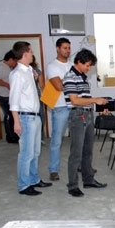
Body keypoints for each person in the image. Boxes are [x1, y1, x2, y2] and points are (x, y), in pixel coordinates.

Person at [63, 49, 109, 197]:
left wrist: (96, 105)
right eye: (88, 65)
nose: (89, 68)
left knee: (88, 151)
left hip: (88, 115)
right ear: (79, 62)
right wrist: (95, 100)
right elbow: (75, 100)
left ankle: (88, 180)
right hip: (77, 116)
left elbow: (84, 98)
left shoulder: (83, 77)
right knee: (76, 153)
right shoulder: (70, 77)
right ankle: (72, 186)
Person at [9, 41, 52, 196]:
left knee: (35, 152)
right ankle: (24, 185)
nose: (33, 54)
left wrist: (35, 76)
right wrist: (16, 121)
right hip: (25, 118)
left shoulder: (29, 71)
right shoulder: (17, 74)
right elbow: (13, 101)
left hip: (35, 116)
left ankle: (34, 180)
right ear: (25, 53)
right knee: (26, 154)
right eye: (31, 51)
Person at [45, 38, 72, 181]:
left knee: (78, 139)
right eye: (65, 48)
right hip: (60, 107)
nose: (67, 51)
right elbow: (58, 86)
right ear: (57, 49)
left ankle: (79, 165)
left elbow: (79, 85)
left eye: (69, 48)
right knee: (56, 140)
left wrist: (65, 80)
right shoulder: (52, 66)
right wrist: (71, 82)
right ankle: (53, 169)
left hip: (75, 106)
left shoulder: (73, 65)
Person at [0, 50, 19, 143]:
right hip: (3, 96)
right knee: (8, 115)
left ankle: (14, 134)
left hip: (9, 95)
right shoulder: (0, 66)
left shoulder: (9, 68)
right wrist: (7, 84)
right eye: (15, 61)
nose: (15, 63)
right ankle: (10, 136)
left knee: (12, 116)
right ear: (10, 59)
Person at [30, 56, 46, 141]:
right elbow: (42, 86)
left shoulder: (17, 70)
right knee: (40, 116)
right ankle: (40, 137)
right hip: (36, 96)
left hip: (26, 99)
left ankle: (31, 138)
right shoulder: (37, 71)